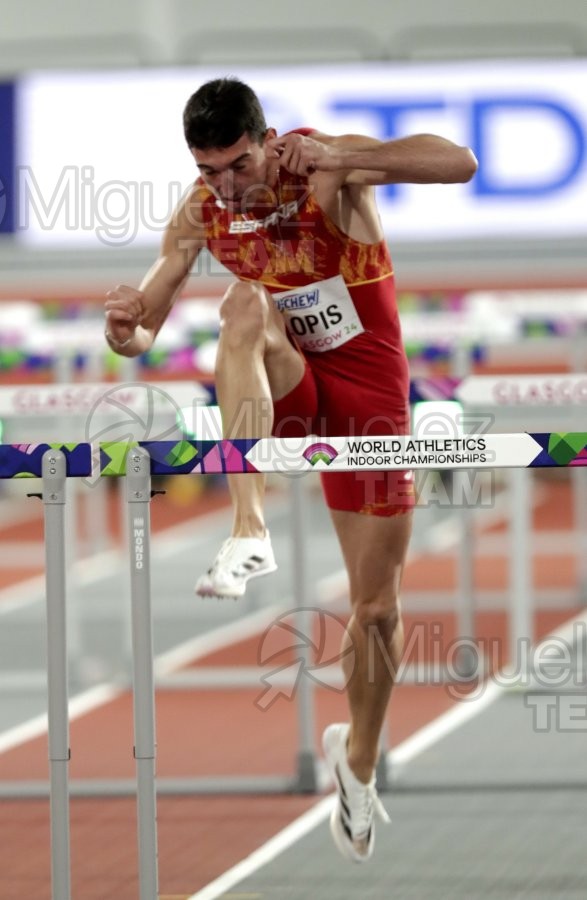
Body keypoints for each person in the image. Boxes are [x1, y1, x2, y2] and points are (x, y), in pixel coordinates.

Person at [104, 77, 477, 863]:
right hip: (287, 389)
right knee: (242, 306)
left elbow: (460, 162)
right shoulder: (204, 209)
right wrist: (126, 329)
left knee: (376, 609)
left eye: (236, 166)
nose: (224, 186)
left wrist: (348, 151)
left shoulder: (324, 169)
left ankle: (361, 761)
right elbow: (147, 320)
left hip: (370, 399)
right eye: (208, 170)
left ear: (267, 139)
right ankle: (249, 527)